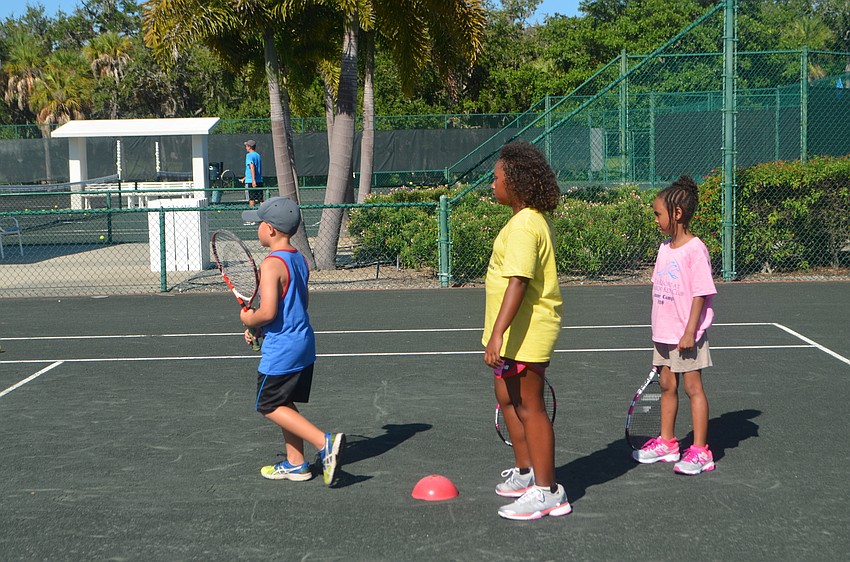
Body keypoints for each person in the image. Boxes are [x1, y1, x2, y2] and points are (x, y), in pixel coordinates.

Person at [483, 141, 572, 520]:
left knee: (529, 407)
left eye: (497, 178)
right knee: (508, 397)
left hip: (526, 332)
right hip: (515, 332)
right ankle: (526, 472)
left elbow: (518, 282)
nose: (492, 185)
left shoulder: (524, 226)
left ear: (515, 182)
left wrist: (498, 333)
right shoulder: (525, 220)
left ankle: (548, 491)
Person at [240, 197, 345, 485]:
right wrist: (263, 328)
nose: (256, 228)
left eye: (259, 223)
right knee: (283, 401)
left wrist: (251, 320)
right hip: (303, 343)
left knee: (268, 404)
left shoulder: (272, 265)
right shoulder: (298, 258)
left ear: (271, 230)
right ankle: (296, 464)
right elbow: (298, 303)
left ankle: (324, 443)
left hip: (283, 349)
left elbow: (269, 311)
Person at [632, 176, 717, 475]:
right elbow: (660, 290)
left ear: (676, 214)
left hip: (686, 335)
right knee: (668, 385)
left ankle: (701, 451)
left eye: (658, 214)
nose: (655, 219)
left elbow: (700, 293)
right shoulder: (664, 249)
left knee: (693, 388)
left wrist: (689, 331)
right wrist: (661, 329)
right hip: (664, 333)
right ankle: (668, 443)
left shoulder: (696, 250)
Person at [241, 139, 264, 210]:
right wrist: (245, 178)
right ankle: (264, 218)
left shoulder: (249, 155)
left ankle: (251, 219)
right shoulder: (258, 155)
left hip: (251, 182)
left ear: (249, 147)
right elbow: (255, 168)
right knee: (261, 200)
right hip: (259, 180)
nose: (245, 147)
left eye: (246, 146)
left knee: (251, 199)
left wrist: (253, 180)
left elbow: (252, 167)